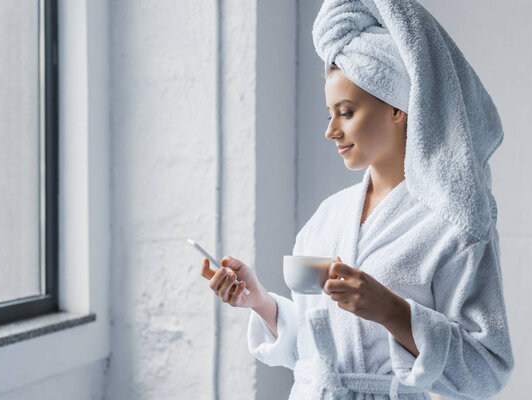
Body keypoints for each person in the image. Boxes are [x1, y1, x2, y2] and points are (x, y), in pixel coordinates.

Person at [200, 0, 514, 399]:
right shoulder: (328, 217)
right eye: (329, 113)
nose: (331, 131)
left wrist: (392, 311)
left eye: (346, 112)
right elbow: (321, 353)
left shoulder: (453, 221)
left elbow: (487, 373)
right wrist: (260, 301)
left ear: (397, 107)